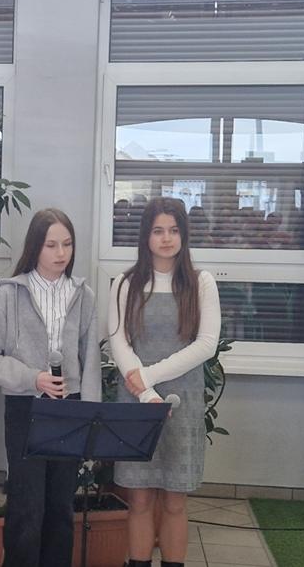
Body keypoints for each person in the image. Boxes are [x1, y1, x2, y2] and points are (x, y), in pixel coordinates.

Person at [0, 208, 101, 567]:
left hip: (69, 408)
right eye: (51, 245)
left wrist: (91, 416)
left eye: (67, 244)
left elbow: (91, 359)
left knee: (61, 506)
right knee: (27, 506)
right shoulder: (9, 295)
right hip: (25, 408)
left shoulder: (83, 295)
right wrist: (33, 378)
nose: (61, 253)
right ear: (35, 247)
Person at [108, 197, 221, 567]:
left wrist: (148, 378)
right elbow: (119, 342)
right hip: (137, 405)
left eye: (173, 230)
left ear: (184, 235)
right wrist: (146, 395)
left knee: (175, 500)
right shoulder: (126, 283)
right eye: (158, 231)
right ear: (146, 236)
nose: (166, 238)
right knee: (139, 499)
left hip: (182, 405)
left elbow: (206, 345)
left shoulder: (201, 283)